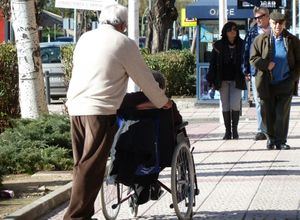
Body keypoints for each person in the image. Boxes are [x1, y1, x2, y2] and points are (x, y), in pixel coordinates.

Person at [64, 4, 172, 220]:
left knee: (82, 165)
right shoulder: (124, 43)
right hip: (99, 110)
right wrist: (162, 101)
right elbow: (144, 78)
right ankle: (75, 217)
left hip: (76, 107)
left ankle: (82, 214)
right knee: (91, 167)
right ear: (123, 25)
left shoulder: (85, 38)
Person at [250, 11, 300, 150]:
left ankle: (281, 140)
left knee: (281, 114)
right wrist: (266, 65)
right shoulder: (260, 39)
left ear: (284, 24)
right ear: (270, 23)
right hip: (267, 83)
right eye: (275, 23)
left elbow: (298, 61)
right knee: (267, 113)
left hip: (285, 82)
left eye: (281, 23)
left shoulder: (292, 40)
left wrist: (293, 78)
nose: (278, 25)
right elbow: (253, 59)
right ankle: (270, 139)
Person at [206, 22, 246, 140]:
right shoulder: (218, 46)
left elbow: (246, 61)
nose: (233, 31)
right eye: (230, 29)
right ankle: (227, 131)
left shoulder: (242, 44)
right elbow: (212, 64)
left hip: (237, 79)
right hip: (222, 80)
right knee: (225, 106)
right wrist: (211, 79)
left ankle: (235, 130)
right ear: (225, 32)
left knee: (235, 104)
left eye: (235, 29)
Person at [243, 7, 270, 141]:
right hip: (256, 72)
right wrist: (246, 70)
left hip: (274, 72)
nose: (258, 20)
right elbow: (246, 52)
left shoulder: (275, 30)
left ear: (268, 17)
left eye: (260, 17)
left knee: (273, 101)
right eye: (256, 18)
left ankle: (273, 130)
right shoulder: (252, 32)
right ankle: (261, 130)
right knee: (259, 101)